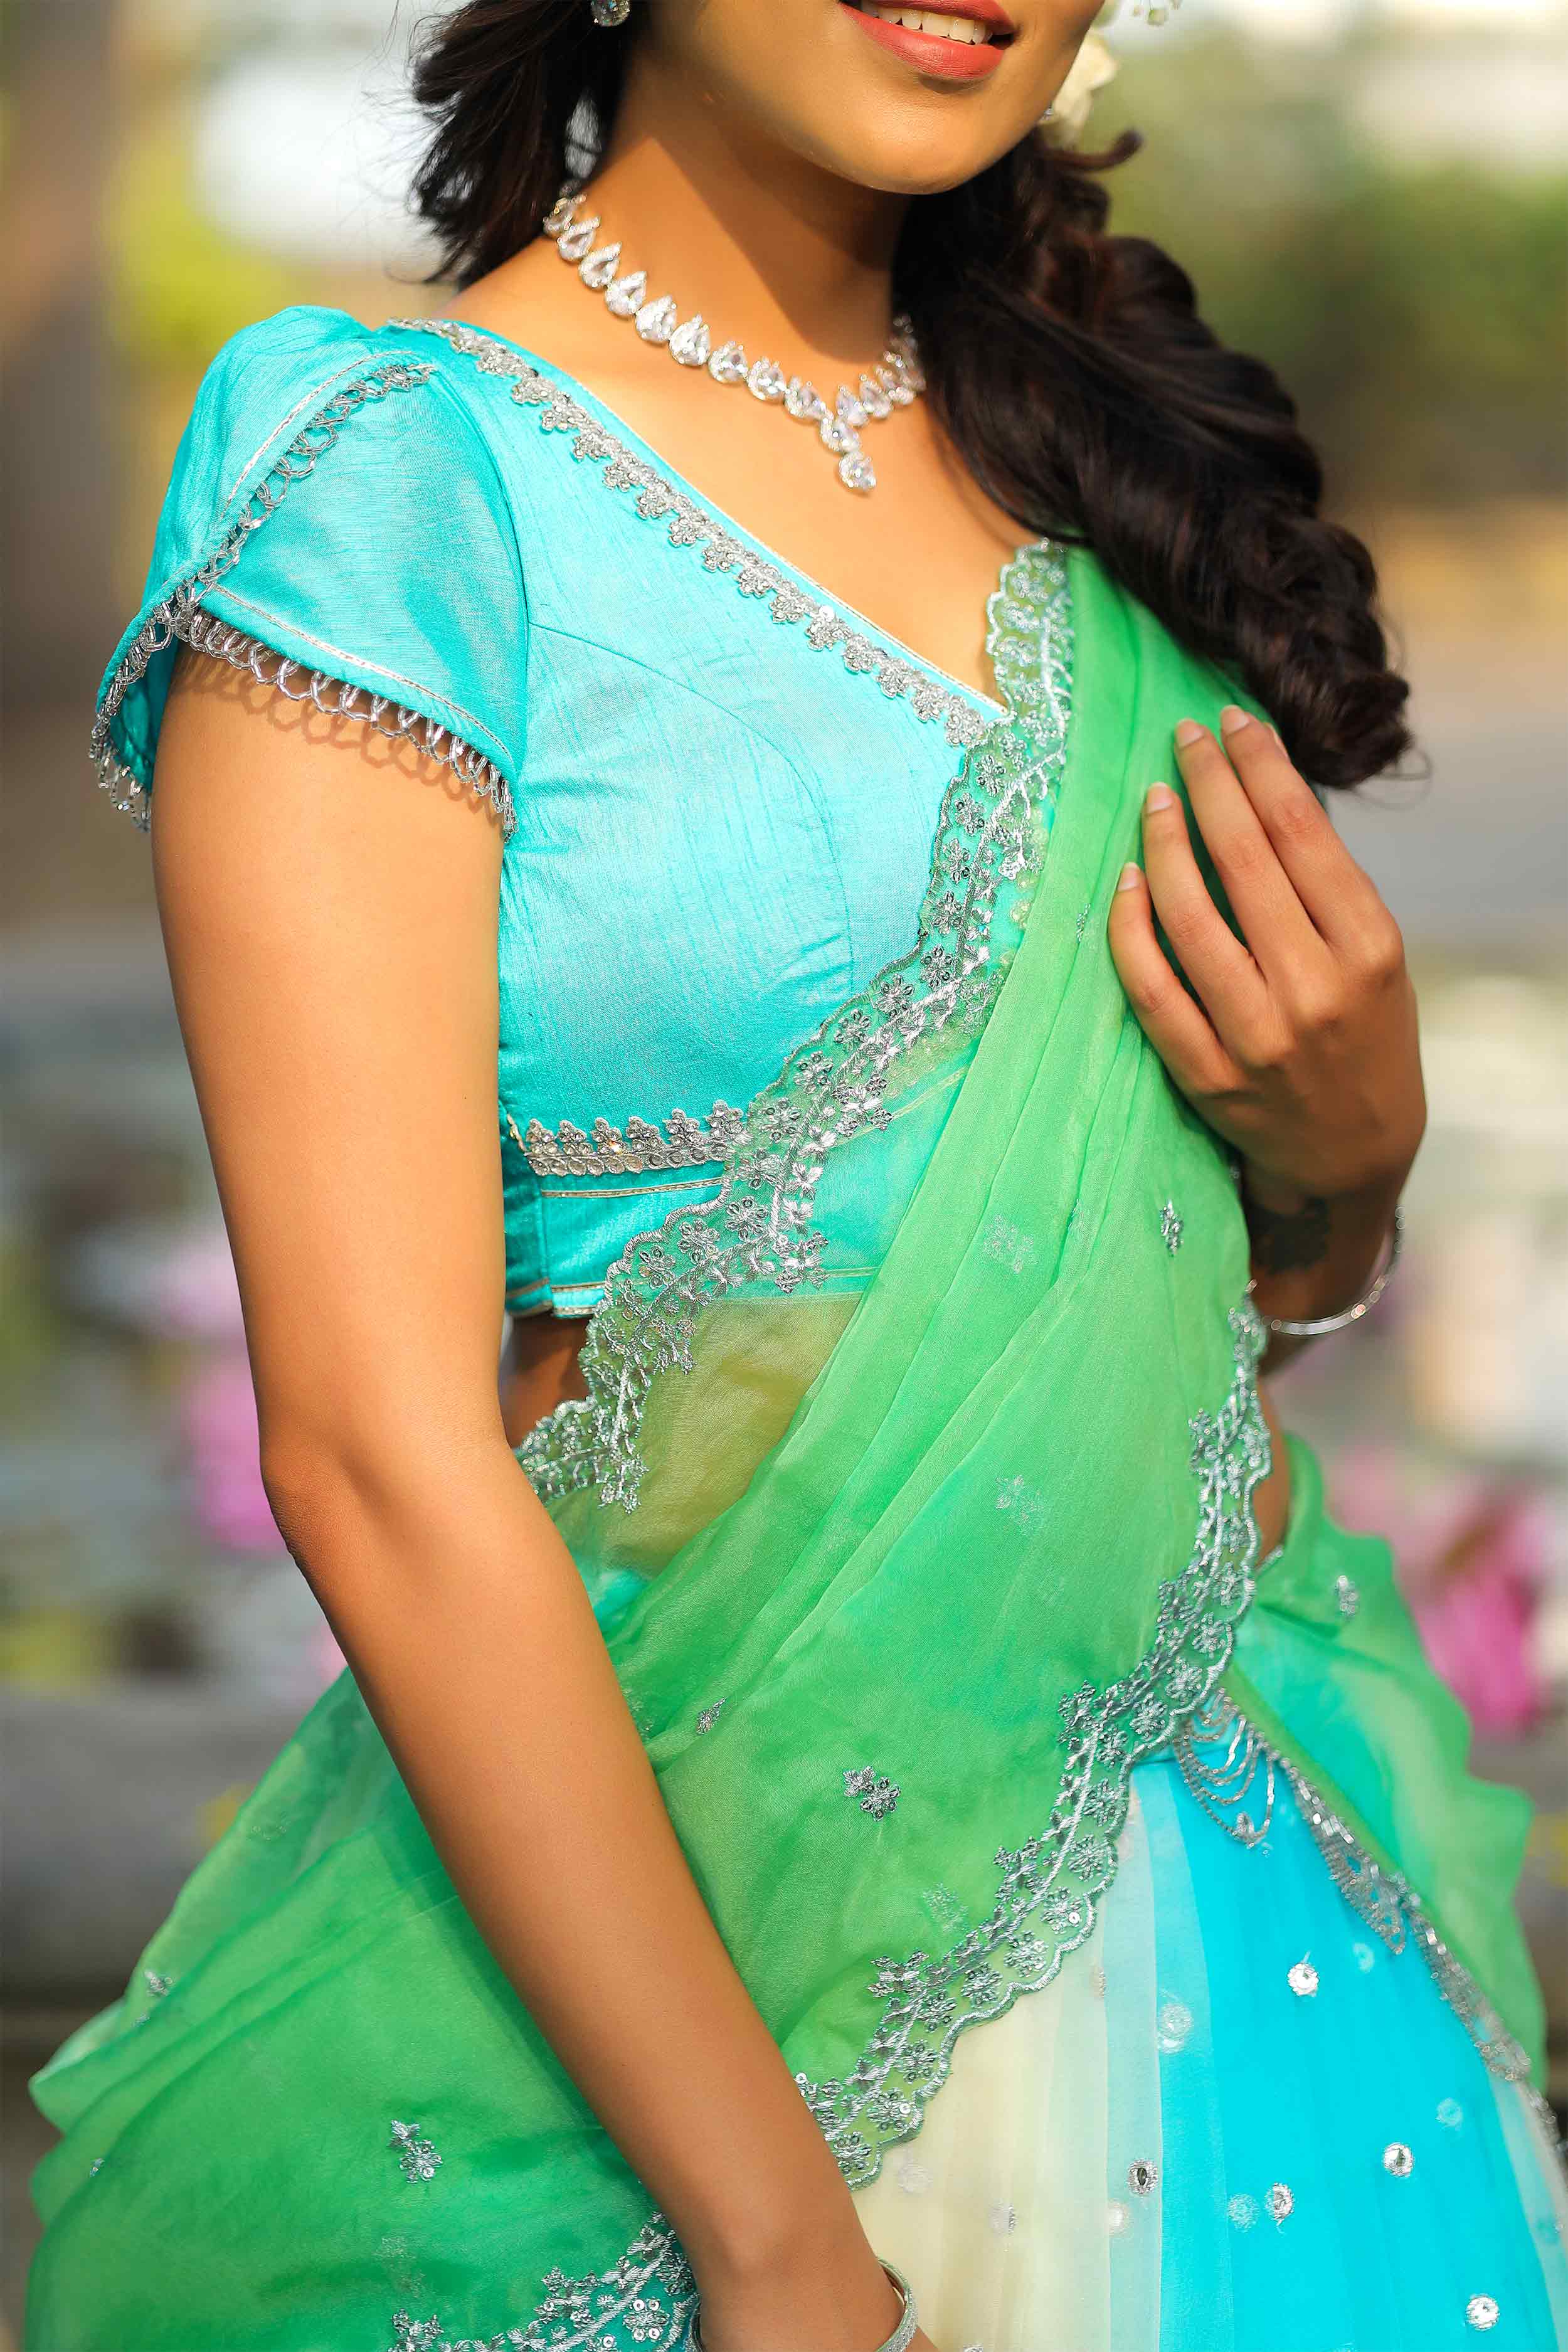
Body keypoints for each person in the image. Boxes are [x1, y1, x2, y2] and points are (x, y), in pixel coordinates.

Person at [27, 4, 1567, 2348]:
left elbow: (1112, 1325)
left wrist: (1348, 1180)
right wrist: (770, 2244)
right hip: (674, 2017)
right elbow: (366, 1447)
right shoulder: (398, 482)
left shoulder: (1102, 485)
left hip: (1240, 1938)